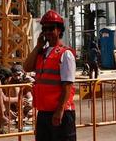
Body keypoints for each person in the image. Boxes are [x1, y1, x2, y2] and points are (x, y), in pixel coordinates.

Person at [23, 10, 76, 141]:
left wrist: (59, 111)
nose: (47, 32)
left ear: (59, 30)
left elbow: (67, 85)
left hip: (60, 112)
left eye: (51, 28)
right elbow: (27, 67)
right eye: (44, 29)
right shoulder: (42, 53)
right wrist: (37, 47)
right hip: (44, 112)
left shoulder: (65, 54)